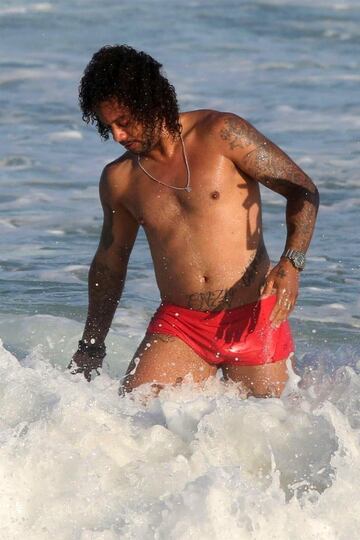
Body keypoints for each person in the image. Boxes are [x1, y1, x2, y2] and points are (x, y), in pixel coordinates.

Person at [68, 44, 319, 398]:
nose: (118, 136)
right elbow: (110, 264)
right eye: (109, 127)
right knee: (131, 421)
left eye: (123, 121)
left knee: (278, 434)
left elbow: (302, 190)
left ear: (148, 100)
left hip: (254, 319)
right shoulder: (119, 180)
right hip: (181, 327)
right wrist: (91, 345)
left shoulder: (220, 134)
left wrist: (292, 263)